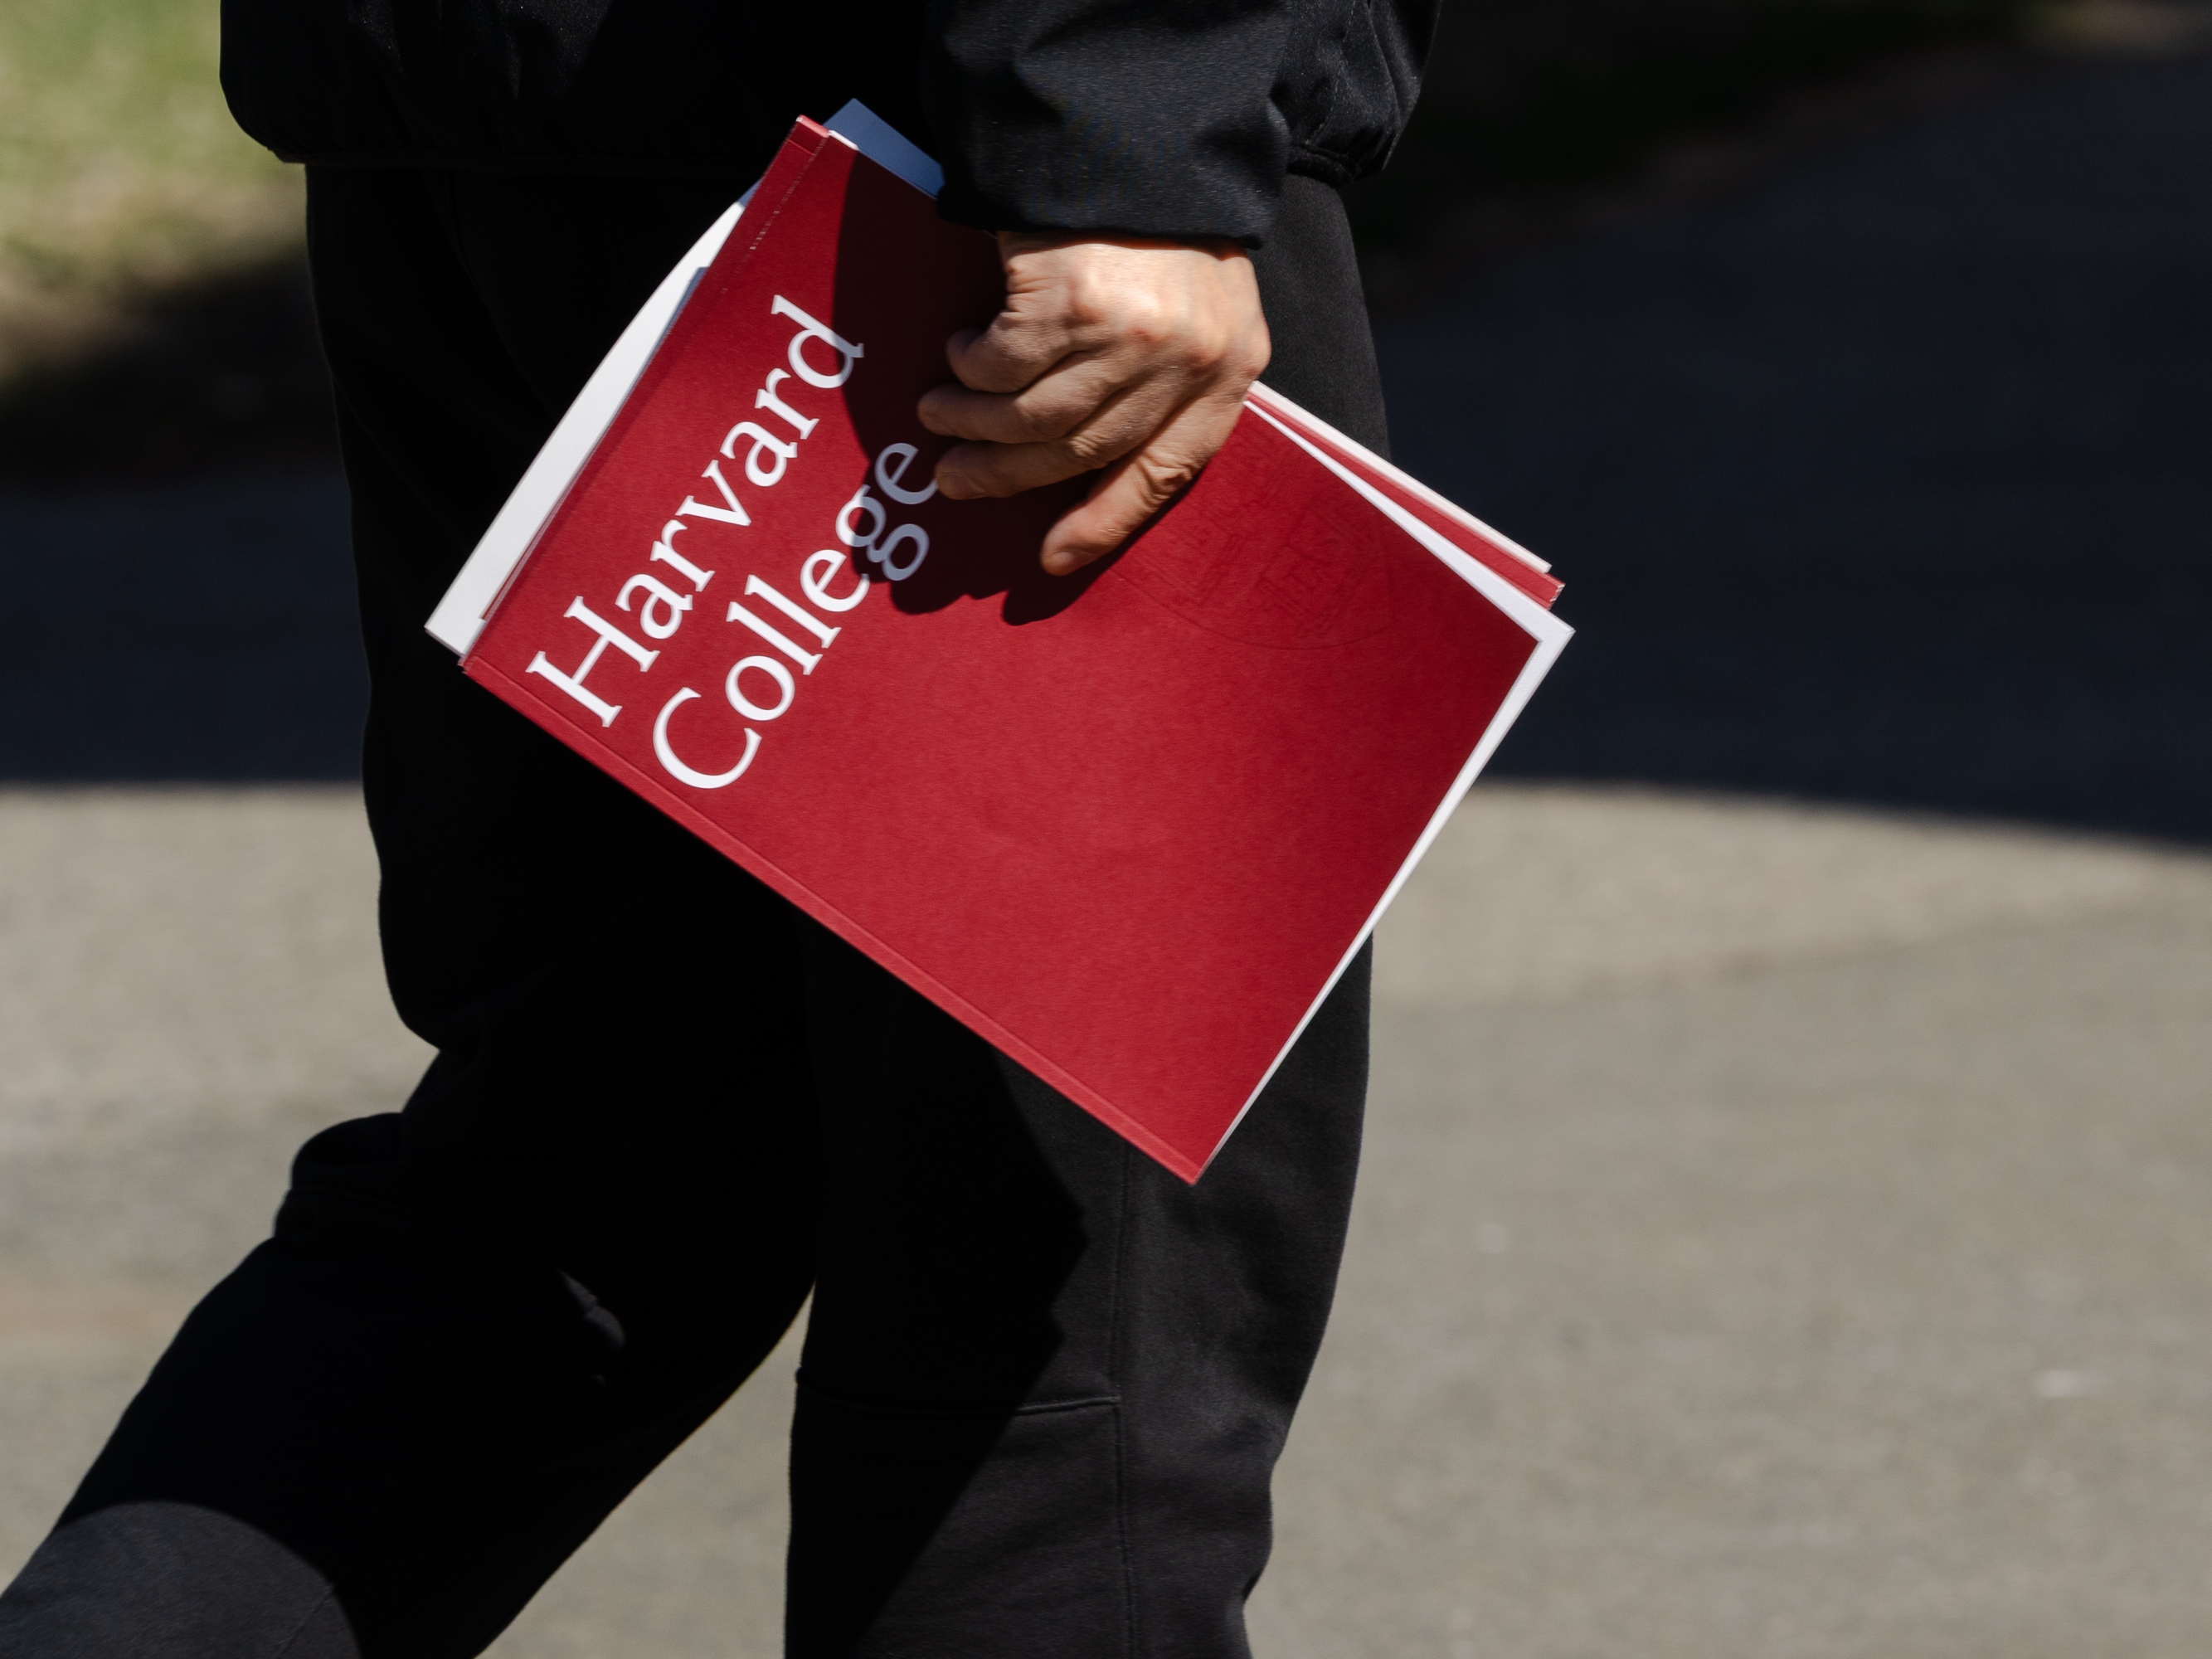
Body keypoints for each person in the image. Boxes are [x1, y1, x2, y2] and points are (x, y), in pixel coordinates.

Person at [0, 0, 1436, 1653]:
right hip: (953, 170)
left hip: (475, 111)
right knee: (1052, 1318)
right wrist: (1122, 133)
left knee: (582, 1180)